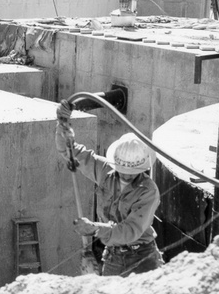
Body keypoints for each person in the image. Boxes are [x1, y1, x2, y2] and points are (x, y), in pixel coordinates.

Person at [55, 100, 163, 277]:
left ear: (143, 168)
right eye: (122, 171)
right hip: (113, 256)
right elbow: (71, 152)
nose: (126, 175)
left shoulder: (148, 191)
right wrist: (62, 123)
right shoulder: (106, 171)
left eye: (131, 172)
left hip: (142, 257)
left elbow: (130, 230)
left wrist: (95, 229)